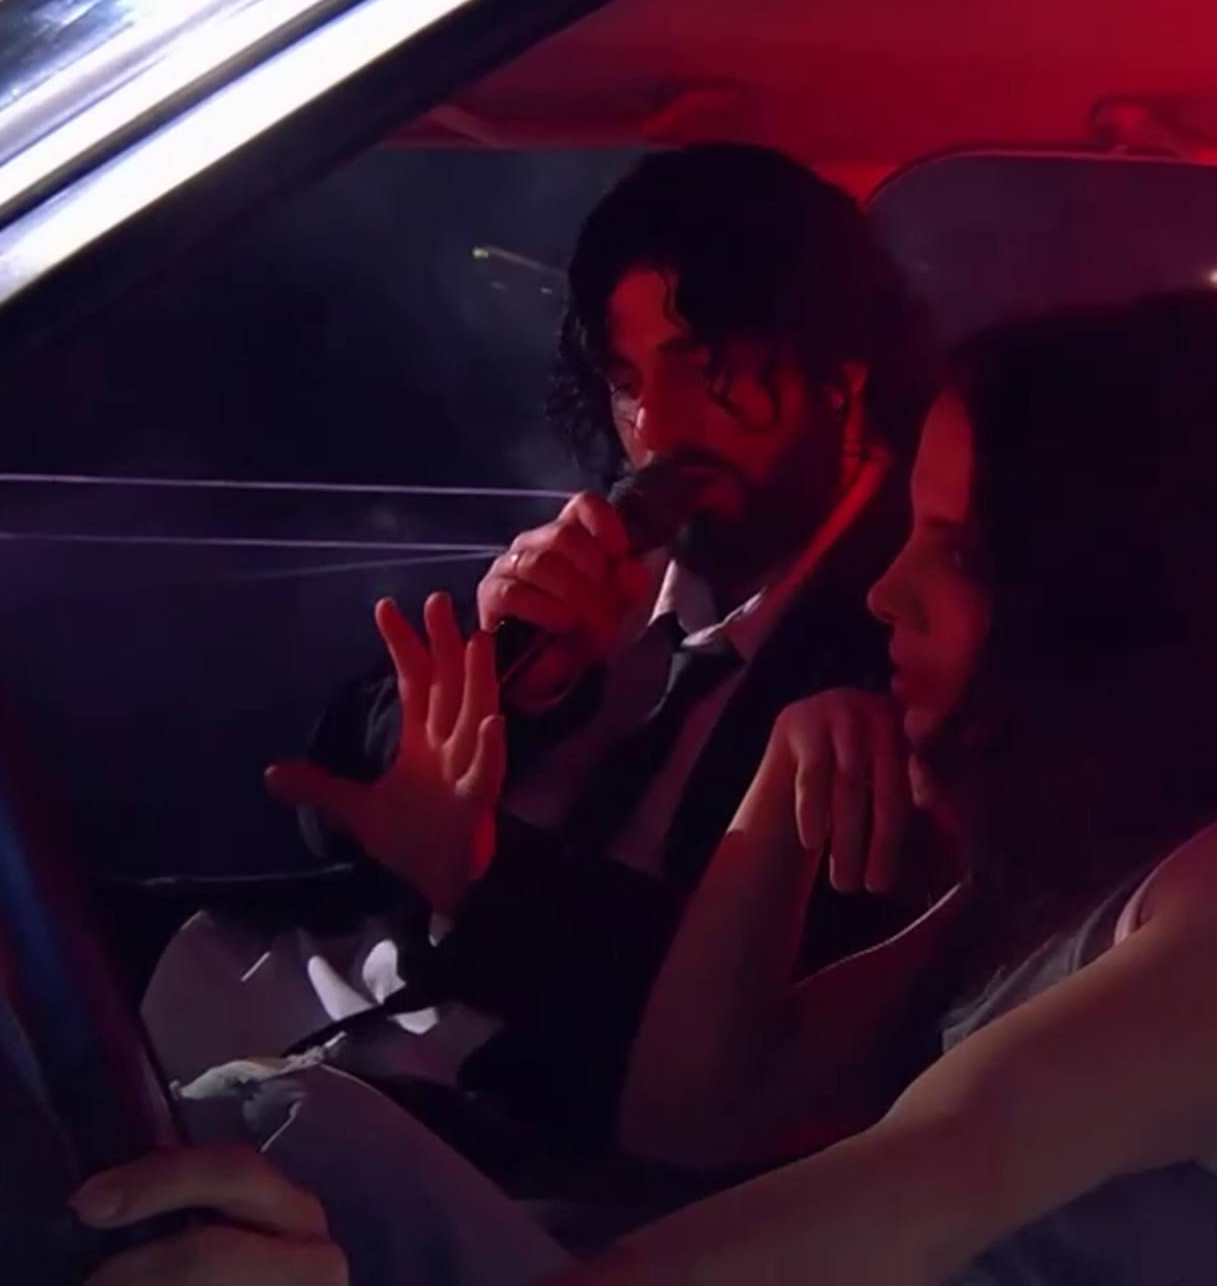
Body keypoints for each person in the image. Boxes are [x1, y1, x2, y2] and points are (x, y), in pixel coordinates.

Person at [73, 290, 1217, 1285]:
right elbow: (688, 1118)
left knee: (283, 1137)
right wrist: (780, 785)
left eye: (957, 552)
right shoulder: (1080, 883)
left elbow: (930, 1183)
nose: (886, 591)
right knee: (273, 1125)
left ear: (1116, 601)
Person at [150, 143, 939, 1179]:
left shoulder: (907, 624)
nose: (656, 428)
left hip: (490, 1113)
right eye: (626, 381)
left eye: (707, 370)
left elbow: (754, 1017)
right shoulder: (617, 559)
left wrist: (480, 874)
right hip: (298, 982)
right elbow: (334, 792)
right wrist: (506, 681)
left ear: (840, 369)